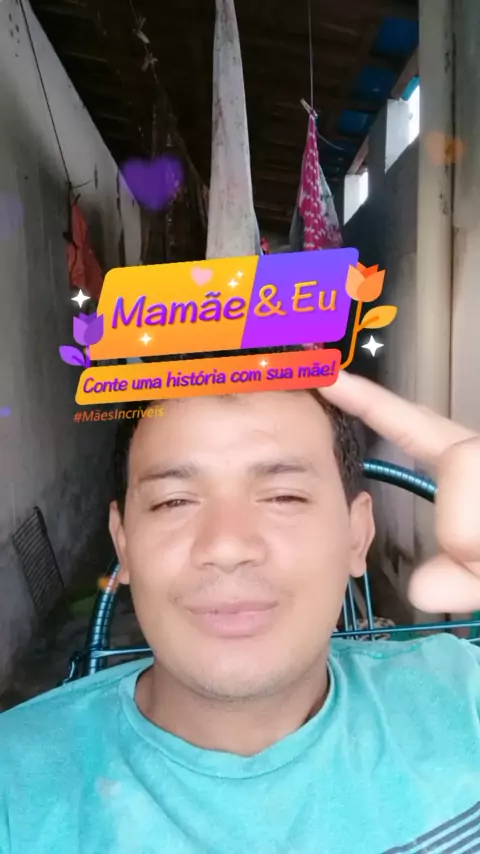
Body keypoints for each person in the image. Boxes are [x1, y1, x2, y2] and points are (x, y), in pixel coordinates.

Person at [1, 372, 480, 854]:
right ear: (123, 543)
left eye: (283, 496)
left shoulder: (464, 698)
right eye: (173, 501)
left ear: (357, 535)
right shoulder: (16, 788)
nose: (227, 546)